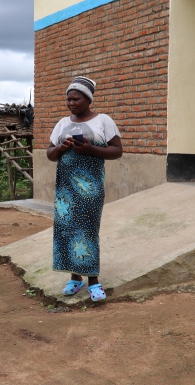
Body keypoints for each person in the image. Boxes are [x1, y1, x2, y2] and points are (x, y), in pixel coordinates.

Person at [46, 76, 123, 302]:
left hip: (90, 188)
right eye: (68, 100)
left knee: (88, 231)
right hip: (65, 189)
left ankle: (94, 282)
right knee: (66, 230)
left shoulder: (103, 121)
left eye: (75, 99)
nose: (71, 103)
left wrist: (90, 149)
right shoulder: (62, 124)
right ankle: (75, 278)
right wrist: (61, 147)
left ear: (88, 99)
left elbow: (117, 151)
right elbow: (50, 155)